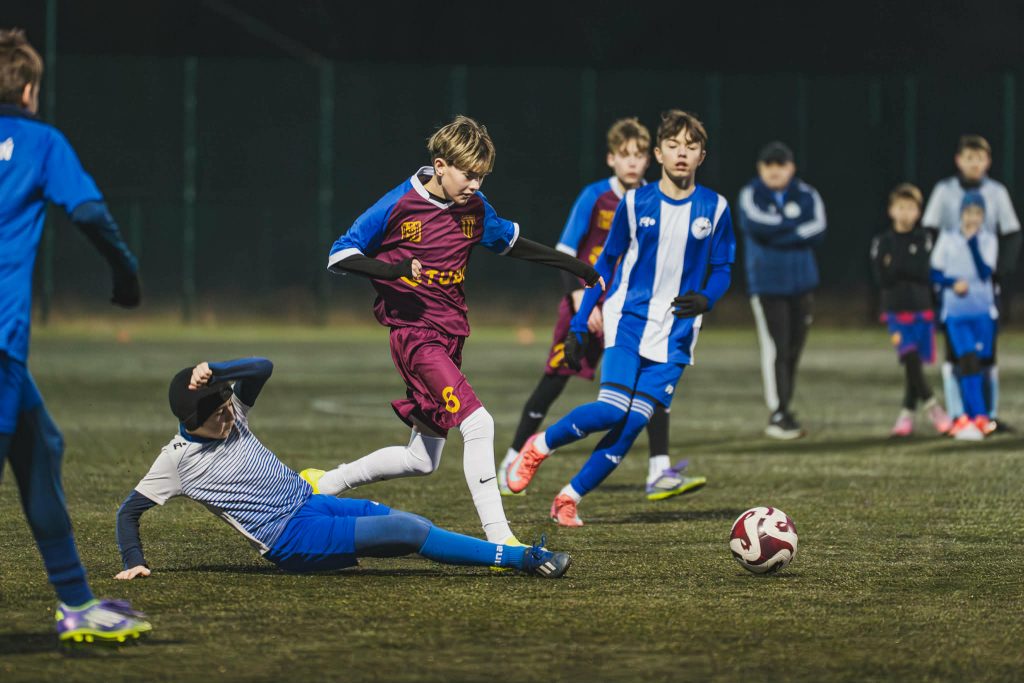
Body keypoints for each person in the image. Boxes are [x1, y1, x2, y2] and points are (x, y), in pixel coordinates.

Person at [306, 116, 602, 547]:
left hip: (450, 335)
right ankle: (501, 539)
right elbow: (339, 255)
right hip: (415, 337)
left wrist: (577, 267)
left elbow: (513, 244)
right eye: (469, 175)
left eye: (482, 176)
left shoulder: (475, 208)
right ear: (441, 166)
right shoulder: (398, 204)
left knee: (422, 459)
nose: (476, 185)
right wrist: (393, 269)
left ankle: (325, 483)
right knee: (479, 422)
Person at [115, 358, 572, 582]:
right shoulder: (176, 459)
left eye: (227, 407)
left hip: (311, 503)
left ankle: (508, 556)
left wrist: (217, 369)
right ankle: (523, 559)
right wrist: (135, 562)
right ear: (192, 421)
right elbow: (127, 513)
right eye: (217, 416)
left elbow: (262, 368)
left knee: (407, 524)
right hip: (290, 539)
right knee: (410, 530)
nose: (229, 417)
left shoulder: (230, 411)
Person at [504, 110, 729, 527]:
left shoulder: (715, 208)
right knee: (612, 411)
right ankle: (539, 445)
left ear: (702, 155)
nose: (682, 153)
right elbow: (603, 266)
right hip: (628, 319)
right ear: (659, 154)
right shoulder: (635, 203)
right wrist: (578, 322)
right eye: (673, 146)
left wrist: (707, 298)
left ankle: (569, 498)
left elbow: (723, 267)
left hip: (677, 335)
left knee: (633, 424)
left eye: (691, 146)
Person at [0, 28, 151, 645]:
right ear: (28, 90)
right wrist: (126, 274)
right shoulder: (41, 141)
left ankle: (77, 603)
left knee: (42, 448)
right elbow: (87, 210)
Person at [922, 134, 1020, 432]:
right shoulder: (944, 191)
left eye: (979, 158)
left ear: (988, 162)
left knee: (987, 356)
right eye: (969, 158)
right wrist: (938, 279)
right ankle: (958, 415)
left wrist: (998, 274)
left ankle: (987, 416)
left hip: (983, 288)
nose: (974, 164)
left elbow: (1012, 233)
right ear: (958, 160)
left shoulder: (996, 192)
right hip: (952, 289)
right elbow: (929, 231)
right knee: (956, 354)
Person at [736, 141, 826, 440]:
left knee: (794, 349)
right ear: (760, 168)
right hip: (767, 284)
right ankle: (778, 412)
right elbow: (756, 225)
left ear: (791, 168)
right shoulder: (751, 194)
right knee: (777, 347)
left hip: (801, 283)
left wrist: (780, 233)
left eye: (781, 164)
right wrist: (794, 229)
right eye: (769, 165)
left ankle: (785, 407)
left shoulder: (807, 193)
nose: (775, 171)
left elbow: (818, 228)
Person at [869, 183, 951, 436]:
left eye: (911, 208)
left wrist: (896, 265)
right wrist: (904, 268)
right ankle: (933, 406)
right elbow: (882, 279)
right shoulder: (882, 241)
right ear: (891, 210)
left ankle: (906, 416)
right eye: (901, 207)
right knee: (910, 357)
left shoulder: (924, 239)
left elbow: (923, 272)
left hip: (922, 310)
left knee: (913, 367)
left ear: (919, 212)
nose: (905, 213)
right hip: (896, 312)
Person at [929, 193, 999, 441]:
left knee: (980, 364)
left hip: (982, 312)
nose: (972, 218)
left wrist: (972, 243)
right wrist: (951, 283)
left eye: (978, 213)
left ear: (983, 216)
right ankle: (975, 416)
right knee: (966, 359)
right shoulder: (947, 239)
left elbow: (985, 271)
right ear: (961, 214)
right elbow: (934, 273)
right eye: (968, 213)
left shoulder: (988, 240)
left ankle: (974, 416)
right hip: (956, 313)